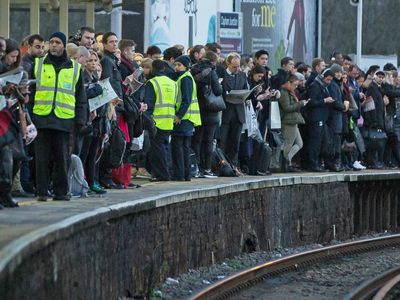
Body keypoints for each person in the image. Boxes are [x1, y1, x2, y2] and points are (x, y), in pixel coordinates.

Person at [30, 31, 87, 201]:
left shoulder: (75, 68)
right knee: (41, 159)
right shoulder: (38, 65)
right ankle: (41, 191)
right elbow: (30, 94)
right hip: (41, 118)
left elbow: (81, 97)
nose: (53, 45)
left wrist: (80, 120)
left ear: (63, 46)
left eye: (57, 42)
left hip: (63, 120)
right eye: (51, 42)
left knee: (62, 159)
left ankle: (61, 192)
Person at [191, 51, 223, 178]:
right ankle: (207, 168)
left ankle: (196, 167)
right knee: (209, 140)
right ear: (213, 61)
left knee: (197, 139)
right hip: (210, 110)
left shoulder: (193, 69)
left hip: (196, 108)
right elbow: (218, 90)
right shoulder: (211, 71)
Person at [144, 59, 177, 181]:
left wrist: (147, 119)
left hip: (156, 120)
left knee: (157, 149)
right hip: (169, 119)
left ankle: (161, 174)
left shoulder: (152, 82)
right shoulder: (172, 83)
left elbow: (149, 103)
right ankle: (167, 171)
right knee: (165, 147)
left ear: (153, 68)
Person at [171, 55, 201, 181]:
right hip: (188, 118)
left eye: (179, 65)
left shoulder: (185, 78)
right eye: (176, 65)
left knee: (179, 147)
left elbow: (186, 100)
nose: (176, 67)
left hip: (184, 118)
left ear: (185, 66)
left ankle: (180, 174)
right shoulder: (186, 77)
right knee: (184, 147)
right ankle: (185, 174)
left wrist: (179, 115)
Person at [220, 52, 248, 171]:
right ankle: (222, 165)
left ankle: (234, 165)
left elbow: (246, 89)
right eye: (234, 67)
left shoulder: (242, 75)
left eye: (238, 66)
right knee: (223, 141)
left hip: (238, 112)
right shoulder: (221, 75)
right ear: (227, 63)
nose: (237, 69)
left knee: (235, 142)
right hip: (226, 112)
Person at [306, 68, 335, 172]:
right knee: (315, 142)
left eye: (331, 80)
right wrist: (324, 100)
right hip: (315, 118)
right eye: (327, 79)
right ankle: (313, 164)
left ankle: (317, 163)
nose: (329, 82)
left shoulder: (323, 87)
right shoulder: (315, 86)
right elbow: (311, 102)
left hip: (322, 118)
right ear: (322, 77)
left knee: (319, 142)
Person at [279, 74, 309, 172]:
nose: (296, 87)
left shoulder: (290, 92)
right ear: (288, 83)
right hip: (288, 121)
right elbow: (287, 108)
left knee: (299, 143)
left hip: (293, 120)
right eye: (294, 85)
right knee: (288, 143)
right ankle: (285, 165)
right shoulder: (283, 92)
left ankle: (288, 160)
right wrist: (300, 104)